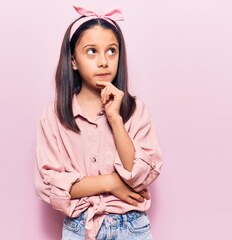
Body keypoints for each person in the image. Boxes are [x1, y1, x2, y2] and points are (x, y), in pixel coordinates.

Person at [34, 5, 162, 240]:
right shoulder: (53, 116)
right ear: (73, 60)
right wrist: (111, 182)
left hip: (131, 228)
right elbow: (50, 186)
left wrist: (115, 119)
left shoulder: (136, 111)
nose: (103, 61)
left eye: (111, 51)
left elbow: (140, 176)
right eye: (91, 51)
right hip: (79, 228)